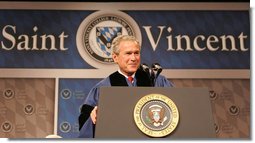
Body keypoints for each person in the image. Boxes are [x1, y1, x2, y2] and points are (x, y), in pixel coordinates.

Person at [78, 35, 174, 138]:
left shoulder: (157, 81)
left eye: (136, 53)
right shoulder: (103, 88)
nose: (133, 58)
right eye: (128, 53)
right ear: (115, 57)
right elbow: (85, 123)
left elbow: (176, 109)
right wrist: (93, 118)